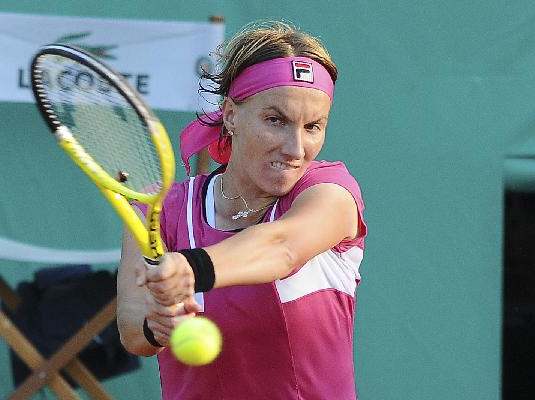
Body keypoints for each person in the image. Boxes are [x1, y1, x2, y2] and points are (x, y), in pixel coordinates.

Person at [117, 20, 367, 399]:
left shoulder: (330, 193)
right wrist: (157, 326)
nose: (296, 148)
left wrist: (192, 267)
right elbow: (133, 330)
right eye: (275, 121)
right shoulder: (158, 210)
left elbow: (281, 247)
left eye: (313, 127)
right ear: (231, 115)